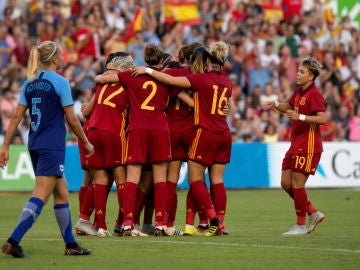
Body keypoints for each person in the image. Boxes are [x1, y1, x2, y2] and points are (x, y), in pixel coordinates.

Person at [0, 40, 94, 258]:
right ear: (53, 59)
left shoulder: (29, 82)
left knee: (61, 192)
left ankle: (71, 244)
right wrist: (87, 143)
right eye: (61, 55)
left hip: (34, 144)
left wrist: (5, 146)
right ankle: (13, 240)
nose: (63, 58)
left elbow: (16, 116)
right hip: (52, 146)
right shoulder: (60, 82)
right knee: (41, 195)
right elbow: (71, 119)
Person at [132, 41, 232, 236]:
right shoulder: (222, 81)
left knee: (171, 180)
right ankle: (202, 222)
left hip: (178, 131)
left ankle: (165, 222)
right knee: (212, 180)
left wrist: (148, 70)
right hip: (202, 131)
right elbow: (222, 104)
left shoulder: (184, 76)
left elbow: (170, 85)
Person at [262, 56, 326, 235]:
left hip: (308, 145)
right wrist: (274, 103)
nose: (298, 74)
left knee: (297, 185)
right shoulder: (299, 91)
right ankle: (312, 212)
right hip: (295, 144)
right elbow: (288, 106)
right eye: (298, 70)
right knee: (285, 183)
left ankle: (300, 225)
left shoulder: (315, 94)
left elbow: (323, 118)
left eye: (302, 71)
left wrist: (302, 117)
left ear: (311, 76)